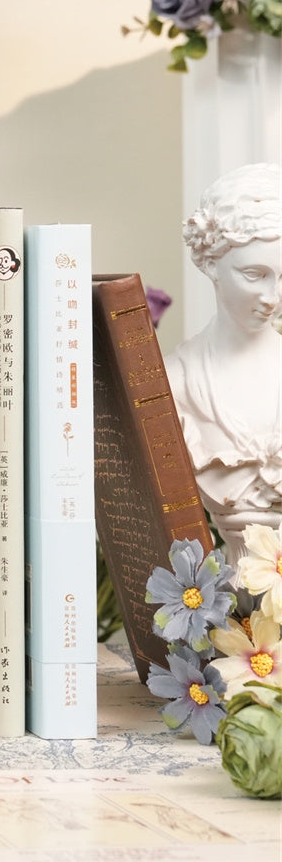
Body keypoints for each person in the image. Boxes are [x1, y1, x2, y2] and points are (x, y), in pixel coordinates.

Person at [164, 162, 282, 568]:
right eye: (255, 274)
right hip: (223, 608)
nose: (272, 296)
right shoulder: (173, 383)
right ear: (210, 262)